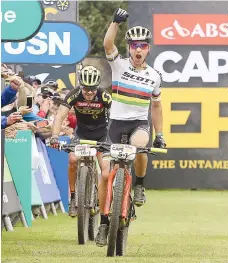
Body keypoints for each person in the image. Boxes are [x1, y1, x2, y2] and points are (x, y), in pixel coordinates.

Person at [99, 8, 166, 246]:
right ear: (129, 47)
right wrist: (115, 23)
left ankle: (139, 185)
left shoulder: (154, 76)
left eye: (143, 46)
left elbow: (156, 108)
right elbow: (108, 44)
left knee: (140, 146)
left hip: (139, 123)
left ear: (148, 49)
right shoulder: (119, 65)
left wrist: (160, 135)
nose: (139, 49)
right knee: (106, 173)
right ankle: (104, 222)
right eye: (135, 45)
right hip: (115, 124)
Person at [49, 66, 112, 221]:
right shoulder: (74, 95)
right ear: (80, 86)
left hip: (102, 135)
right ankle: (73, 198)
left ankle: (103, 203)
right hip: (81, 134)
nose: (89, 92)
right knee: (72, 160)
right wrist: (55, 136)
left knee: (105, 171)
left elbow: (115, 118)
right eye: (85, 89)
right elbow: (59, 116)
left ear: (97, 86)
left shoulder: (104, 96)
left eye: (92, 89)